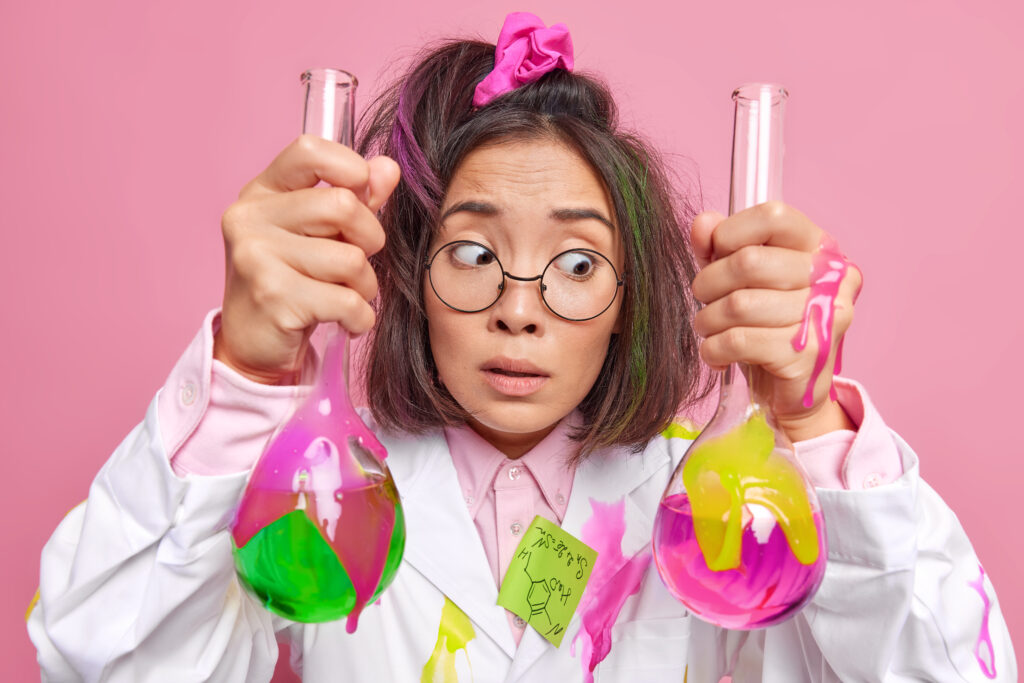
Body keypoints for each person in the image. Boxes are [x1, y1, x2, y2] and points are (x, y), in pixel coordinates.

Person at [28, 12, 1016, 682]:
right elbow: (98, 656)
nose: (519, 309)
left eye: (577, 265)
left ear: (632, 301)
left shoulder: (708, 507)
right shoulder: (325, 491)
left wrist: (805, 423)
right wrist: (248, 375)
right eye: (472, 251)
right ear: (408, 271)